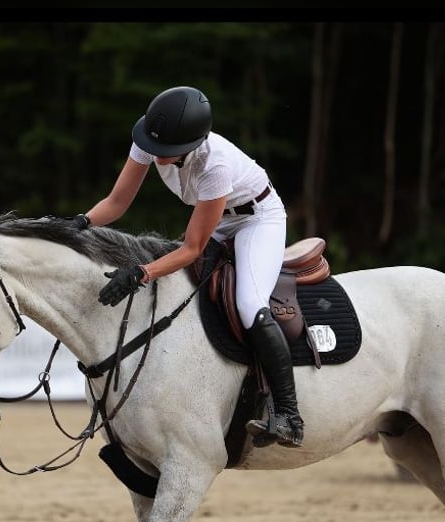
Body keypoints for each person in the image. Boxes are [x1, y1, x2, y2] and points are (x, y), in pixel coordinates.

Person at [73, 85, 304, 448]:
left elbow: (193, 247)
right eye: (156, 148)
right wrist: (81, 223)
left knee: (249, 303)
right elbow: (117, 202)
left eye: (169, 152)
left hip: (257, 219)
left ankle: (290, 415)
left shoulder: (216, 164)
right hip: (215, 215)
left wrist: (141, 273)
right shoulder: (151, 136)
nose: (158, 155)